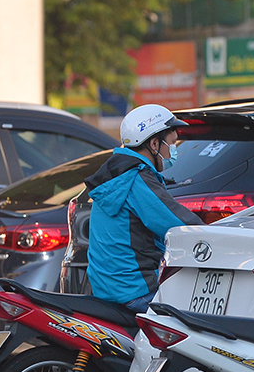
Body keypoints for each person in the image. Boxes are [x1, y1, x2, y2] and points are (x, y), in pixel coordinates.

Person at [85, 104, 203, 312]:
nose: (174, 150)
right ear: (155, 143)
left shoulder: (118, 174)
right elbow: (179, 224)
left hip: (109, 289)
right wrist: (215, 235)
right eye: (172, 143)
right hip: (136, 290)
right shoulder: (136, 178)